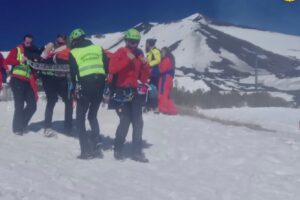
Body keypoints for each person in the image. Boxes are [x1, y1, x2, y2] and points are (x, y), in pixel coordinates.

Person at [108, 28, 150, 162]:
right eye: (131, 42)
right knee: (125, 121)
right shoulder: (120, 52)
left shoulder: (139, 54)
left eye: (136, 42)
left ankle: (136, 151)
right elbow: (112, 69)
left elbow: (143, 79)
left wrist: (145, 66)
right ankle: (118, 148)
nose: (134, 45)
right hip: (122, 92)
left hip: (135, 91)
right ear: (126, 41)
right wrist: (127, 59)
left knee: (138, 122)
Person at [68, 28, 108, 159]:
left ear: (74, 40)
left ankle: (85, 150)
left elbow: (73, 73)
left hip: (85, 87)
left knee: (80, 119)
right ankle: (97, 145)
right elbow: (106, 66)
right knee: (92, 116)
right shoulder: (98, 48)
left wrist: (73, 89)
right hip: (99, 86)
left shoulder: (73, 52)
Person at [5, 34, 40, 135]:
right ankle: (17, 129)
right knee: (19, 105)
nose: (29, 43)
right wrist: (19, 60)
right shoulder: (17, 50)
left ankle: (22, 123)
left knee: (33, 105)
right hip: (16, 80)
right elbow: (8, 61)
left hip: (27, 82)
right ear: (24, 41)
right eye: (27, 41)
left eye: (30, 41)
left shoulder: (31, 54)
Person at [39, 34, 73, 137]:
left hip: (61, 80)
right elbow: (42, 57)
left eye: (62, 40)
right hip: (49, 79)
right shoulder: (50, 47)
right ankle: (47, 127)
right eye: (58, 40)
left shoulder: (67, 49)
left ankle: (68, 126)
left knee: (68, 101)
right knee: (51, 101)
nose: (59, 42)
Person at [158, 47, 177, 115]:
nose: (161, 53)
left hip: (164, 78)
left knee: (162, 93)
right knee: (167, 95)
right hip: (170, 79)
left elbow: (162, 70)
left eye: (162, 52)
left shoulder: (166, 59)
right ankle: (172, 110)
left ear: (166, 52)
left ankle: (162, 109)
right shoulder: (171, 60)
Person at [145, 38, 161, 112]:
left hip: (155, 73)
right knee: (149, 89)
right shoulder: (150, 52)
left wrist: (149, 64)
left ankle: (155, 107)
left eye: (147, 43)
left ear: (149, 44)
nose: (146, 45)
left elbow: (158, 60)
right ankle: (149, 106)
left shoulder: (155, 51)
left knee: (153, 89)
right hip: (150, 73)